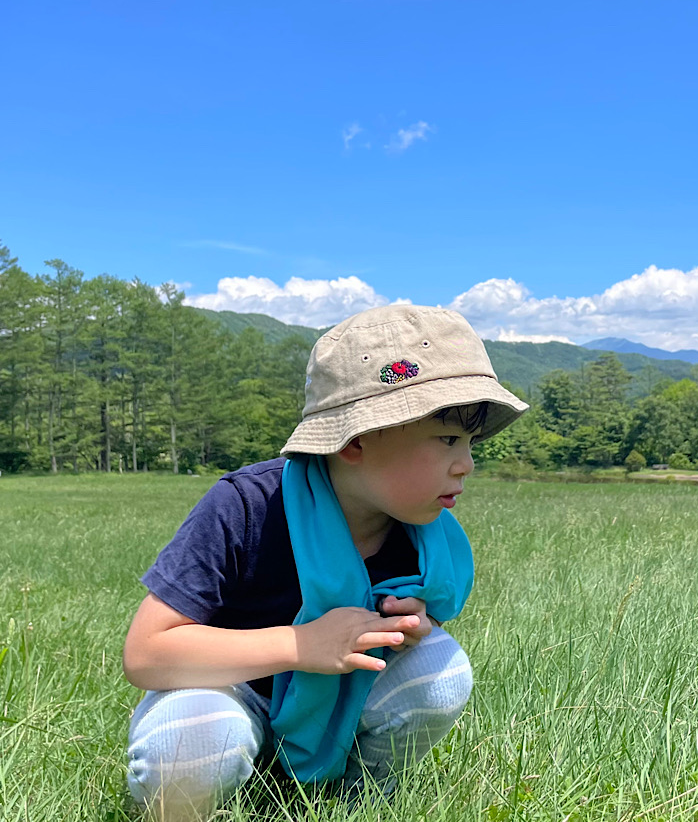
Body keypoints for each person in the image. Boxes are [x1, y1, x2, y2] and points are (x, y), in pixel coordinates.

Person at [122, 304, 528, 820]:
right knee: (193, 748)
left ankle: (358, 802)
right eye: (448, 438)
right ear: (356, 441)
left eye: (471, 441)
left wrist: (415, 626)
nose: (466, 463)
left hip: (340, 691)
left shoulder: (425, 532)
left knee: (440, 672)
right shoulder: (247, 506)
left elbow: (420, 628)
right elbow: (146, 653)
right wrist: (303, 645)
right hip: (226, 686)